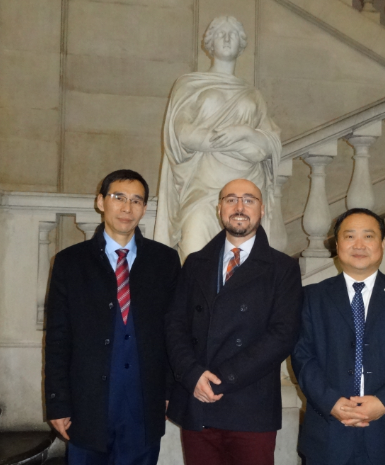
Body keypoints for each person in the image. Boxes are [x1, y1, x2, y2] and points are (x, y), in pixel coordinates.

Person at [44, 169, 181, 465]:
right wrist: (57, 402)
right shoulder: (70, 262)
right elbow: (57, 338)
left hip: (144, 403)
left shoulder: (165, 261)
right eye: (119, 197)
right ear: (100, 201)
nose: (127, 208)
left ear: (144, 208)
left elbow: (174, 331)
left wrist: (170, 390)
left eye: (136, 200)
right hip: (87, 405)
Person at [165, 178, 302, 465]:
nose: (239, 207)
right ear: (219, 209)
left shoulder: (283, 268)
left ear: (262, 209)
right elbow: (175, 325)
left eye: (249, 200)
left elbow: (282, 335)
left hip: (251, 406)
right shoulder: (195, 263)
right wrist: (192, 375)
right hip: (198, 401)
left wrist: (221, 380)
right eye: (231, 200)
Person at [292, 208, 385, 465]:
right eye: (350, 236)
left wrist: (384, 402)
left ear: (382, 244)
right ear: (337, 245)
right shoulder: (312, 297)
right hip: (327, 434)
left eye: (368, 236)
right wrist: (331, 402)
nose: (359, 245)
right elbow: (302, 357)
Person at [155, 16, 281, 261]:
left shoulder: (253, 94)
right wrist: (241, 144)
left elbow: (269, 144)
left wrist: (244, 132)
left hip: (246, 183)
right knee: (194, 254)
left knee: (246, 264)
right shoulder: (189, 84)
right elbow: (182, 133)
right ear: (209, 43)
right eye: (220, 33)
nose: (226, 38)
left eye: (233, 34)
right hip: (203, 186)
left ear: (241, 44)